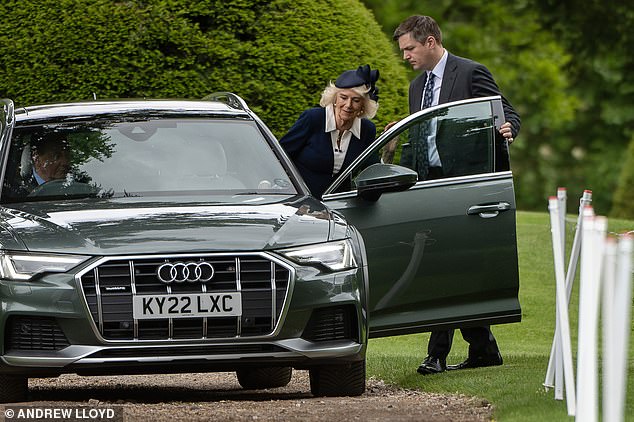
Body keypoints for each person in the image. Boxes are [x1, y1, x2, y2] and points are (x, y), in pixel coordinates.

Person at [391, 15, 520, 375]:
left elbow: (505, 111)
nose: (406, 57)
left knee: (443, 265)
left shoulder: (469, 73)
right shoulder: (417, 87)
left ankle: (437, 354)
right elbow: (423, 135)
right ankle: (483, 348)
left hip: (464, 186)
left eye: (410, 49)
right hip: (428, 186)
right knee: (452, 266)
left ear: (430, 42)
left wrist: (509, 128)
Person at [279, 64, 380, 199]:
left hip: (339, 207)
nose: (348, 105)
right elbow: (280, 156)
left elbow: (372, 173)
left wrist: (388, 152)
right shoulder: (313, 119)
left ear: (363, 105)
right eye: (343, 98)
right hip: (301, 203)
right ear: (335, 98)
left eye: (355, 100)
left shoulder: (366, 129)